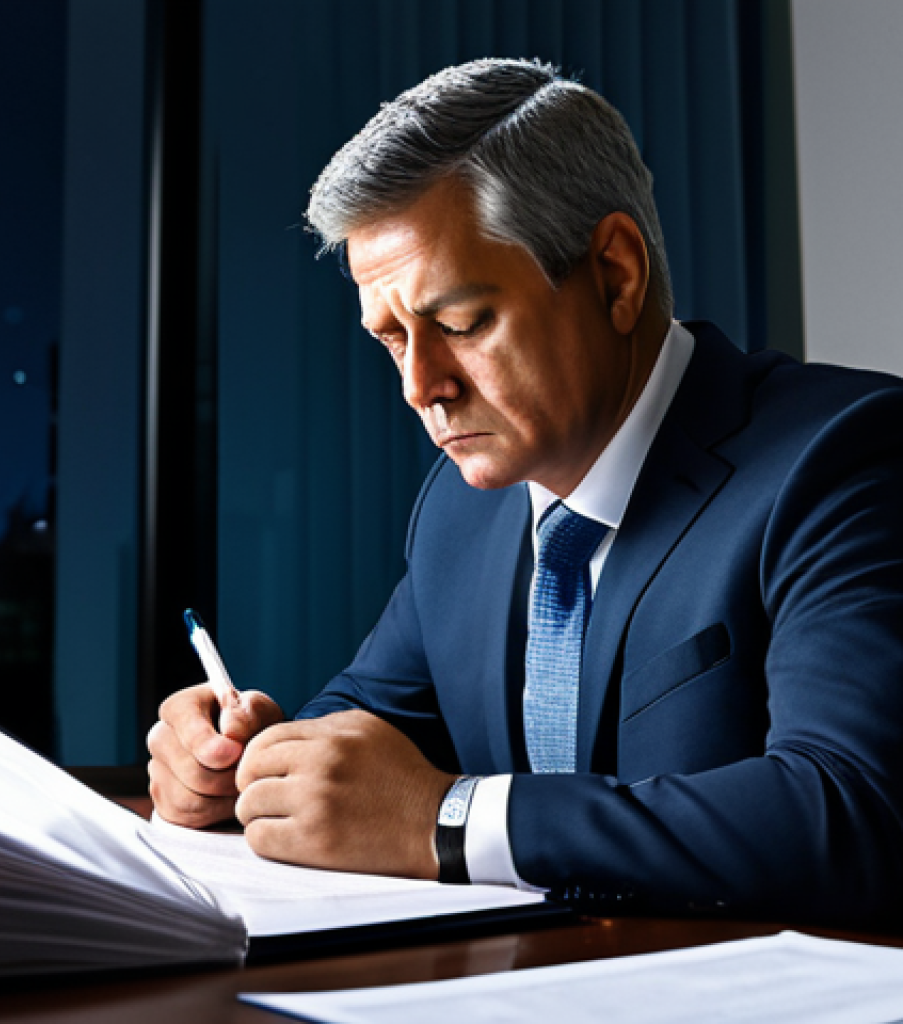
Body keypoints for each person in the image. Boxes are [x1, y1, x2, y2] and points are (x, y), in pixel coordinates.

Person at [147, 58, 903, 925]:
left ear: (615, 275)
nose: (420, 387)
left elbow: (856, 813)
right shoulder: (459, 509)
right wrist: (239, 765)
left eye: (460, 324)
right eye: (391, 339)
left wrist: (448, 818)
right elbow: (370, 729)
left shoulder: (845, 458)